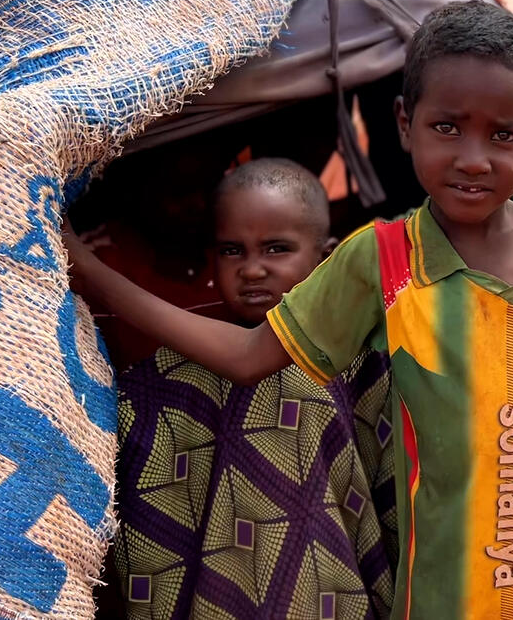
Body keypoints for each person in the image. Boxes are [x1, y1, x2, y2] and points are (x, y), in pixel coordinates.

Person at [66, 0, 513, 619]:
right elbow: (246, 356)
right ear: (404, 124)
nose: (473, 158)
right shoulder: (382, 257)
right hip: (447, 582)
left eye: (503, 135)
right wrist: (90, 273)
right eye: (447, 127)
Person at [108, 158, 397, 618]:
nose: (252, 269)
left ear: (326, 256)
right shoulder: (163, 377)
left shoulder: (358, 355)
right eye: (232, 251)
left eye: (276, 248)